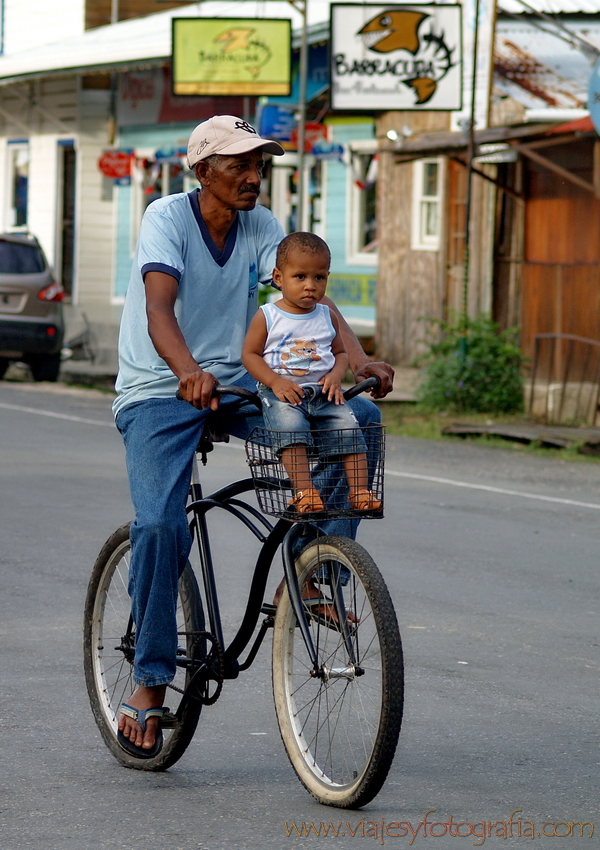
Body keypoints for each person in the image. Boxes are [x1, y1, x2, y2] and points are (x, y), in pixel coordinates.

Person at [113, 114, 394, 758]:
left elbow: (312, 303)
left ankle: (313, 568)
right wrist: (186, 371)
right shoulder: (166, 218)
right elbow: (160, 308)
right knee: (159, 526)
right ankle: (151, 683)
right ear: (202, 169)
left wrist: (360, 358)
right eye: (238, 164)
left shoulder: (263, 227)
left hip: (246, 383)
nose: (252, 176)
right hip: (162, 387)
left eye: (258, 164)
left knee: (361, 421)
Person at [243, 231, 381, 514]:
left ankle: (360, 492)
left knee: (348, 429)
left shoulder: (326, 315)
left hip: (322, 392)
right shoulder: (268, 315)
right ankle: (305, 493)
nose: (310, 286)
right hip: (283, 394)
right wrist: (275, 381)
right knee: (291, 431)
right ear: (279, 278)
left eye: (319, 278)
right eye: (300, 277)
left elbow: (340, 352)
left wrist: (335, 375)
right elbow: (250, 355)